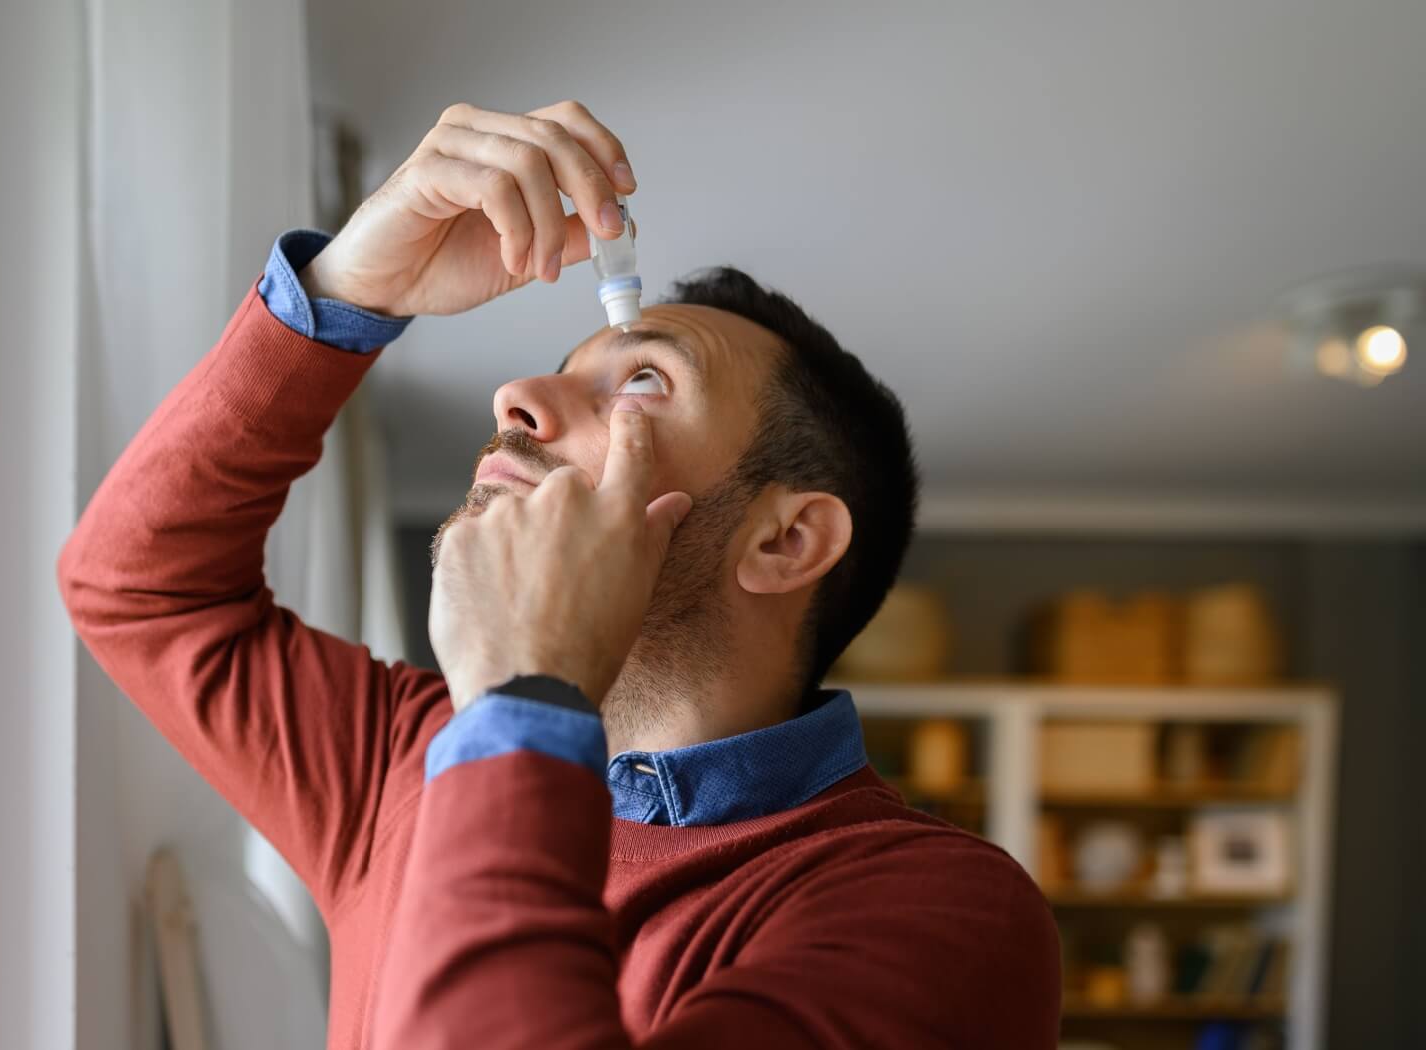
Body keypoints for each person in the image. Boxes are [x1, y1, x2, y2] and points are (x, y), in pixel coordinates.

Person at [59, 99, 1060, 1049]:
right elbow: (138, 585)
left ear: (784, 541)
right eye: (562, 368)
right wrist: (344, 298)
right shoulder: (408, 763)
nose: (518, 395)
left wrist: (525, 700)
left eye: (641, 382)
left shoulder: (930, 910)